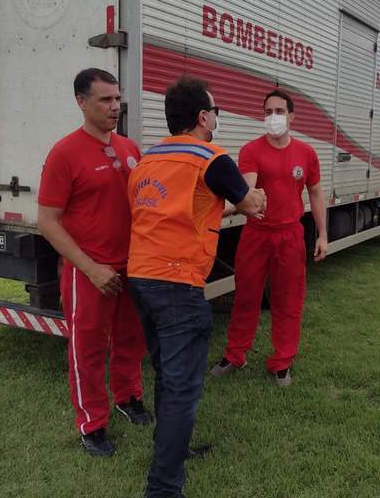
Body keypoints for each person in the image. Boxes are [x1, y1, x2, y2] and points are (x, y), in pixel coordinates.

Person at [127, 76, 267, 498]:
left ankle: (174, 448)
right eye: (216, 110)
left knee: (166, 374)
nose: (218, 117)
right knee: (182, 388)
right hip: (177, 282)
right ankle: (164, 487)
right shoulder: (210, 157)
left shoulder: (150, 159)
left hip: (141, 277)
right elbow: (252, 205)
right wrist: (253, 192)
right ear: (203, 116)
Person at [38, 68, 149, 457]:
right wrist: (90, 268)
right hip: (89, 272)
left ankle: (128, 396)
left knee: (131, 340)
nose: (115, 106)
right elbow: (47, 221)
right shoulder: (65, 153)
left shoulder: (130, 148)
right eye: (105, 100)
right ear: (81, 102)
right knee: (86, 349)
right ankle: (93, 423)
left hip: (131, 267)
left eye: (117, 98)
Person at [211, 89, 328, 387]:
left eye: (278, 111)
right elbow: (247, 188)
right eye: (267, 112)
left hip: (290, 235)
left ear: (291, 116)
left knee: (288, 300)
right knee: (246, 296)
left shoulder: (306, 153)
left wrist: (323, 234)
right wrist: (243, 201)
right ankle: (236, 354)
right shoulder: (251, 151)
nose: (272, 117)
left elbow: (315, 193)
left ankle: (282, 361)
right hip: (256, 233)